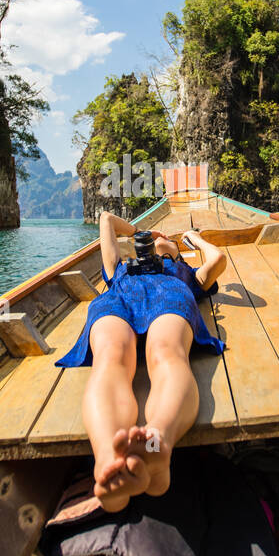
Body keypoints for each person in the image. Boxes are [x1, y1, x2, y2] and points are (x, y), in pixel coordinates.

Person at [54, 210, 228, 511]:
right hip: (119, 298)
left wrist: (193, 240)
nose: (159, 242)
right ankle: (108, 458)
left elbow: (218, 259)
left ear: (176, 252)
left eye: (167, 243)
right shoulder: (117, 268)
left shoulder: (184, 272)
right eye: (152, 241)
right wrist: (140, 231)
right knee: (110, 356)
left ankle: (157, 440)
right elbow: (107, 218)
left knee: (166, 352)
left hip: (169, 295)